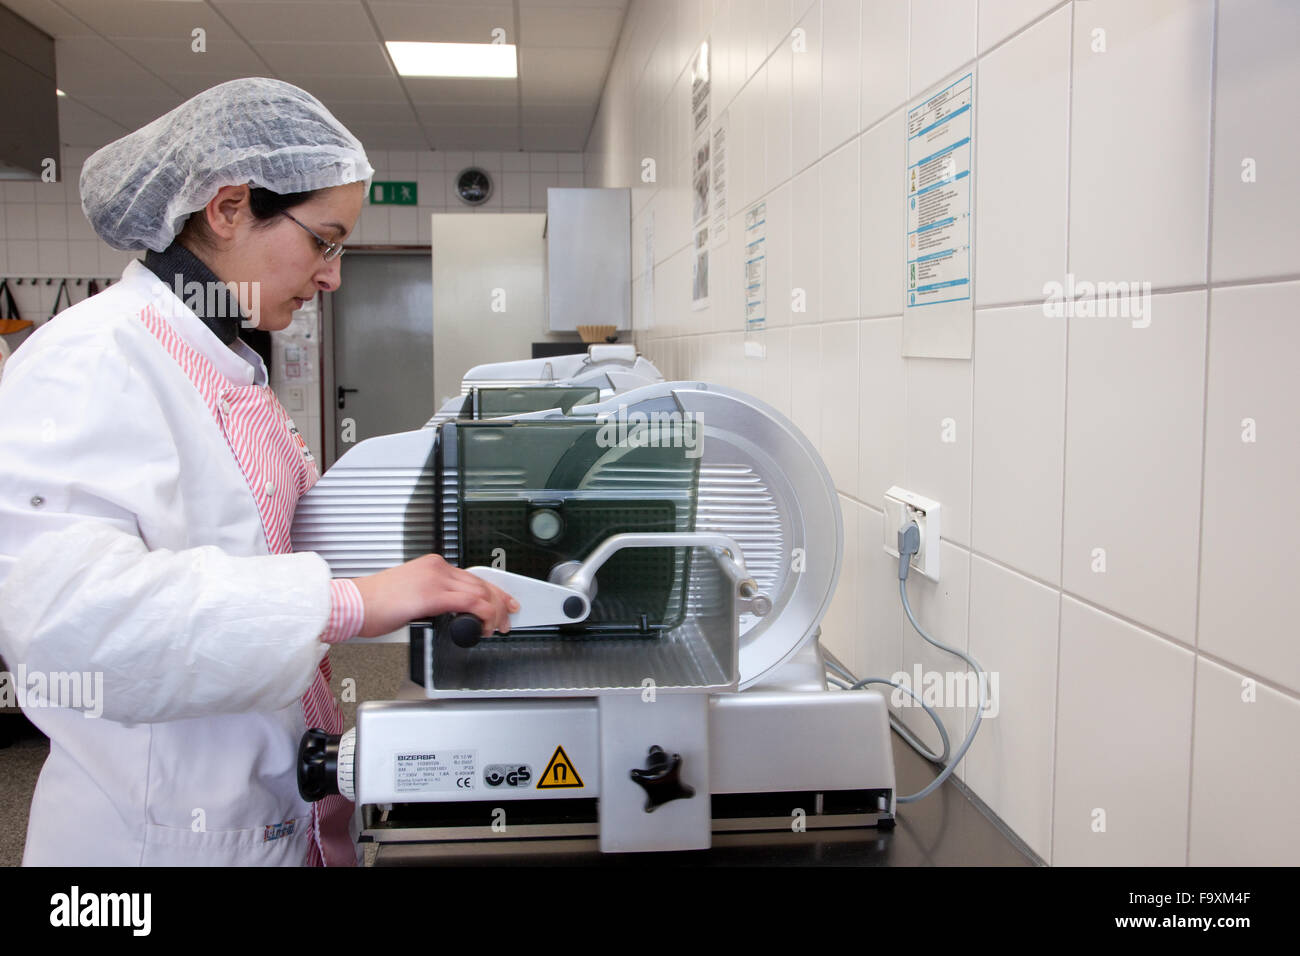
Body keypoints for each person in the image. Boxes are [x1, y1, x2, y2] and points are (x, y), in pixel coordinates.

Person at [0, 78, 517, 866]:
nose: (332, 275)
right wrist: (349, 603)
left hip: (264, 798)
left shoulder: (227, 364)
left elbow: (263, 546)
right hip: (153, 842)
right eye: (325, 240)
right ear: (230, 207)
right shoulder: (91, 360)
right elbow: (77, 631)